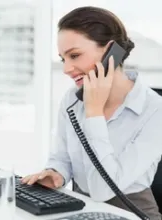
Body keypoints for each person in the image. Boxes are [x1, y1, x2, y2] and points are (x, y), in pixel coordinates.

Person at [21, 6, 162, 219]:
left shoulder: (155, 111)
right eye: (63, 59)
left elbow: (102, 189)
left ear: (111, 52)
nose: (67, 69)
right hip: (84, 208)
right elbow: (61, 157)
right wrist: (56, 173)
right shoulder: (72, 98)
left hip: (133, 212)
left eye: (75, 55)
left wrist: (94, 113)